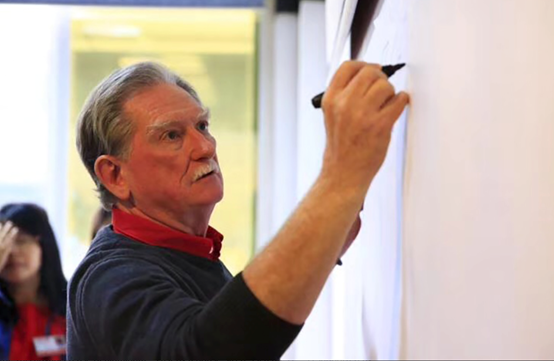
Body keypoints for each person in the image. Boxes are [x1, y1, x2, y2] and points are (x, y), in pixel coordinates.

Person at [67, 60, 409, 359]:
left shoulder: (187, 254)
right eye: (172, 136)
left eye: (202, 126)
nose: (206, 146)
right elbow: (206, 352)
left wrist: (325, 234)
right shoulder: (109, 276)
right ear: (115, 175)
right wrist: (339, 177)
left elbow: (240, 334)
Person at [0, 203, 68, 360]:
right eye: (4, 243)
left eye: (21, 240)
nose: (12, 251)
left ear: (43, 245)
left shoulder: (72, 309)